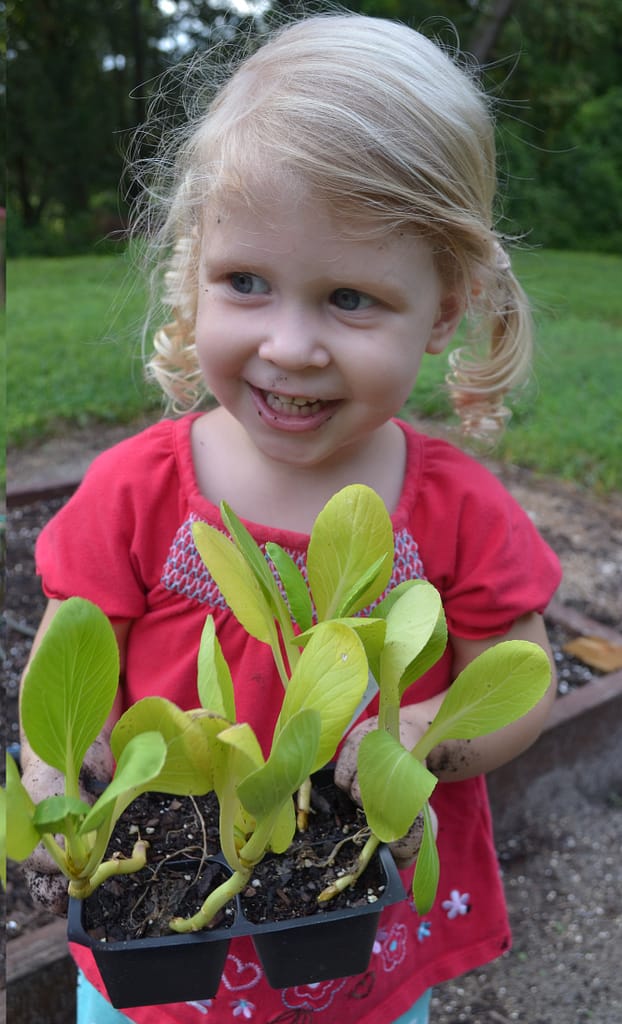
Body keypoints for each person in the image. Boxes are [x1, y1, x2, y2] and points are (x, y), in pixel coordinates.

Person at [19, 12, 562, 1024]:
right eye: (247, 284)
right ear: (194, 274)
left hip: (358, 918)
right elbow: (68, 667)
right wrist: (58, 771)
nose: (291, 345)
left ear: (443, 308)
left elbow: (518, 673)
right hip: (165, 932)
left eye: (350, 298)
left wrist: (418, 735)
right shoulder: (137, 488)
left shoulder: (452, 506)